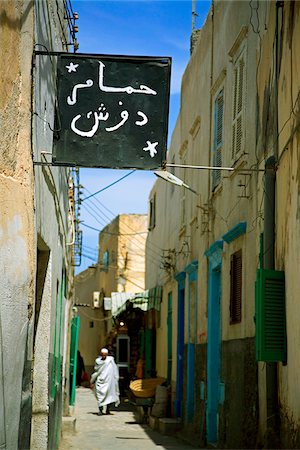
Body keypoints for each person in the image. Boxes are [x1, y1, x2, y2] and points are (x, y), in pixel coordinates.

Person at [90, 348, 120, 415]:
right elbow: (96, 371)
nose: (103, 356)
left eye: (105, 355)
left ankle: (107, 410)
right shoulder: (98, 361)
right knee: (99, 396)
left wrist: (115, 379)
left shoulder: (110, 361)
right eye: (102, 355)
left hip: (109, 382)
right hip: (100, 381)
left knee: (109, 396)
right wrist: (92, 381)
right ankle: (100, 410)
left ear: (107, 355)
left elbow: (114, 371)